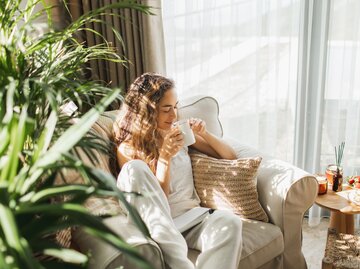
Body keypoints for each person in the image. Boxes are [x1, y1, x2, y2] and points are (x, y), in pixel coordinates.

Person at [113, 72, 243, 269]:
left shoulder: (178, 134)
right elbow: (158, 202)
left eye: (175, 107)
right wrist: (164, 157)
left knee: (230, 222)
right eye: (166, 109)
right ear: (147, 110)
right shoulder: (128, 149)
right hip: (160, 224)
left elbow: (230, 157)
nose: (174, 115)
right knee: (135, 168)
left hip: (193, 217)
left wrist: (204, 134)